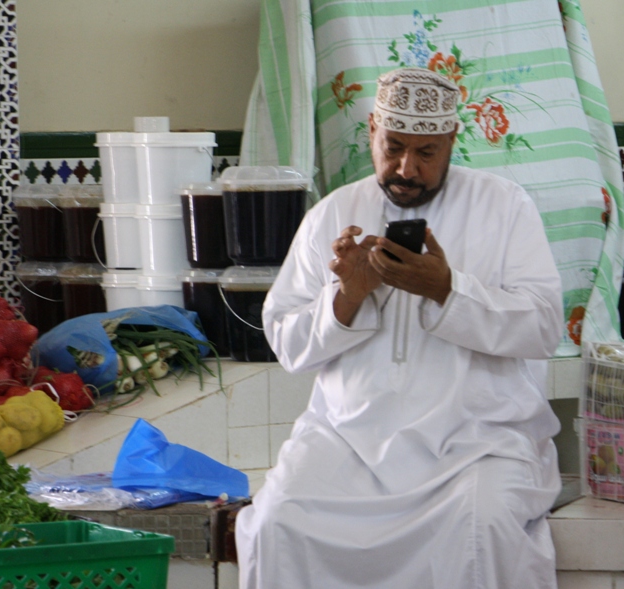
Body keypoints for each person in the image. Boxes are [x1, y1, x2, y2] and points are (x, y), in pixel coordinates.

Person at [235, 67, 564, 589]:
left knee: (483, 530)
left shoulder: (504, 207)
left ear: (453, 140)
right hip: (346, 441)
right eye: (393, 147)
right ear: (372, 130)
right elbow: (288, 344)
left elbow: (544, 326)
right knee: (278, 522)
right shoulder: (332, 214)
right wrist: (348, 295)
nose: (406, 168)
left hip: (476, 442)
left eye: (427, 152)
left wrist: (446, 290)